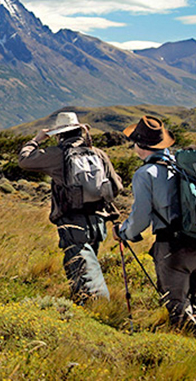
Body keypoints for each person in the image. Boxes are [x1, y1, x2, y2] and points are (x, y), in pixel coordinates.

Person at [116, 115, 196, 338]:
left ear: (140, 145)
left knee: (177, 306)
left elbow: (141, 217)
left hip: (173, 249)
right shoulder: (183, 167)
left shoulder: (146, 174)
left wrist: (124, 233)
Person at [18, 111, 122, 303]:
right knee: (90, 265)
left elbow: (25, 160)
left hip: (72, 222)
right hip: (98, 221)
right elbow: (116, 187)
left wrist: (37, 139)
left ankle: (96, 307)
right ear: (78, 131)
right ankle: (89, 305)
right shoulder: (98, 154)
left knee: (83, 270)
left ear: (59, 134)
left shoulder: (58, 155)